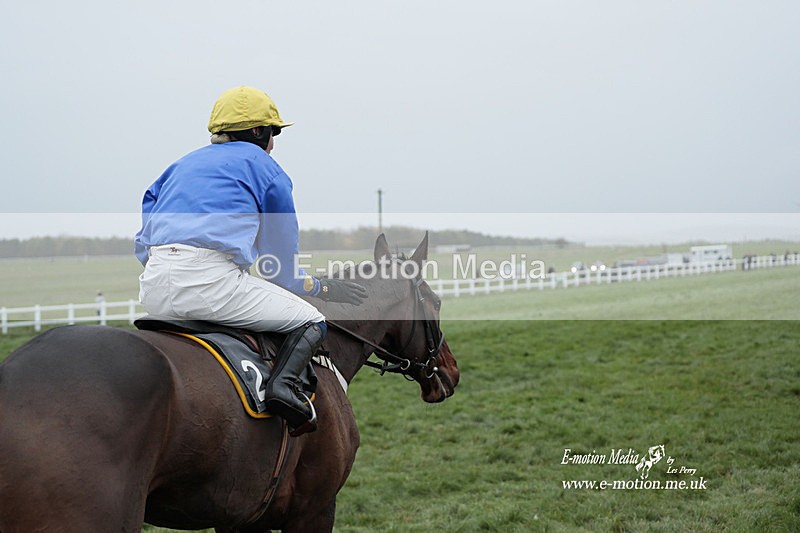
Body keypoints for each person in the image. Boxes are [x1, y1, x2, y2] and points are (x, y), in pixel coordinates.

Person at [134, 86, 367, 434]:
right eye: (273, 133)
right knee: (312, 322)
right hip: (211, 283)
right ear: (259, 132)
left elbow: (144, 241)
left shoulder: (178, 167)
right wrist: (320, 286)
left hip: (153, 286)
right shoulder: (267, 170)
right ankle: (282, 390)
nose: (274, 143)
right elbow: (280, 270)